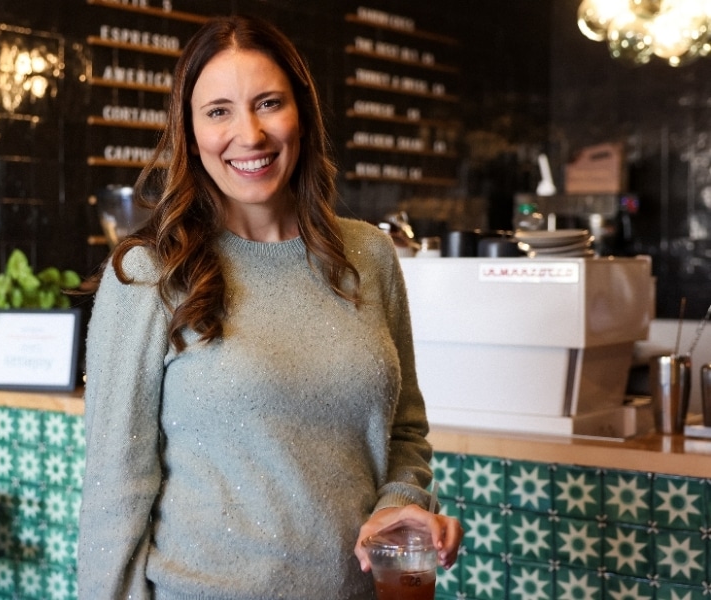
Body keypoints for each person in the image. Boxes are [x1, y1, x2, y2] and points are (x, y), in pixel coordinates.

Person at [77, 14, 462, 600]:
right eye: (218, 111)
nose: (249, 134)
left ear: (301, 114)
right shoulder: (148, 275)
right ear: (190, 131)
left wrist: (401, 507)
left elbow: (405, 432)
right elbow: (117, 486)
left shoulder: (369, 255)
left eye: (268, 103)